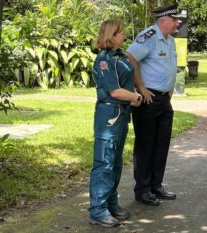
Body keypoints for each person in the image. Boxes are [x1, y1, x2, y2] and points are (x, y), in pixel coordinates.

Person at [126, 4, 184, 206]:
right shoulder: (148, 36)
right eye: (175, 19)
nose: (178, 22)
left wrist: (169, 89)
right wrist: (140, 86)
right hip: (149, 100)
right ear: (163, 21)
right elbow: (130, 57)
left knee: (162, 144)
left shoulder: (170, 41)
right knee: (145, 145)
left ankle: (156, 186)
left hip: (164, 100)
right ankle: (142, 190)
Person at [88, 20, 143, 228]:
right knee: (105, 162)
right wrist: (135, 97)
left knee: (116, 163)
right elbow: (115, 91)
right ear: (111, 35)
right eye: (121, 33)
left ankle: (110, 203)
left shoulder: (120, 57)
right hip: (109, 116)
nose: (124, 36)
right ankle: (98, 209)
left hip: (121, 114)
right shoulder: (103, 61)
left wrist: (132, 97)